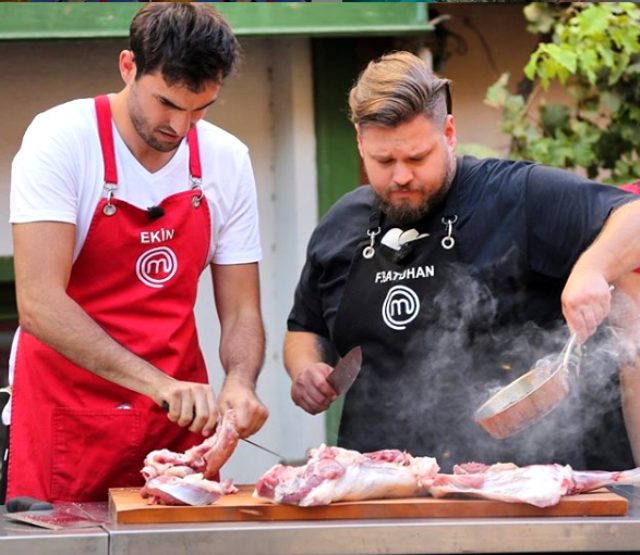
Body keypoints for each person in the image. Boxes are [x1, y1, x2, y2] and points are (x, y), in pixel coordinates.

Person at [284, 51, 640, 473]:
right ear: (361, 143)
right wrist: (305, 368)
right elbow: (304, 327)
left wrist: (592, 268)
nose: (401, 176)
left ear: (449, 133)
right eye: (383, 161)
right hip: (382, 491)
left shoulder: (518, 196)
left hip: (516, 491)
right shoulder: (341, 224)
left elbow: (632, 215)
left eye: (417, 158)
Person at [7, 2, 268, 503]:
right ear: (129, 66)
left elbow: (240, 308)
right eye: (166, 103)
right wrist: (159, 384)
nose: (181, 126)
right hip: (68, 420)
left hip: (176, 430)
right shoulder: (60, 139)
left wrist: (240, 381)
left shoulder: (227, 159)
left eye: (201, 108)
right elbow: (39, 303)